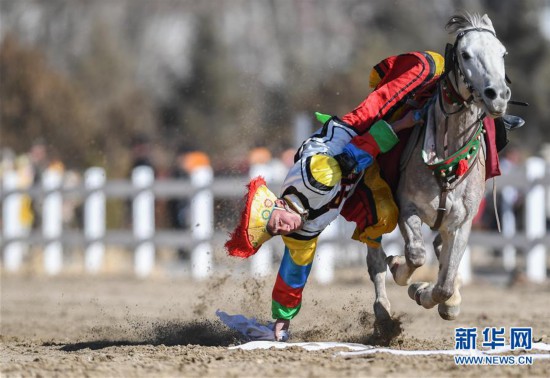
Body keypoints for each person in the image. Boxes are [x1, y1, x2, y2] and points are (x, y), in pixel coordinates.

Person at [225, 108, 423, 341]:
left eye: (278, 222)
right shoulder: (299, 235)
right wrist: (281, 324)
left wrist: (402, 123)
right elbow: (293, 274)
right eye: (276, 232)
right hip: (348, 182)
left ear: (280, 204)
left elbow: (360, 148)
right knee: (385, 216)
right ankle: (382, 261)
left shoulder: (316, 179)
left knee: (394, 96)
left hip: (350, 137)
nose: (284, 229)